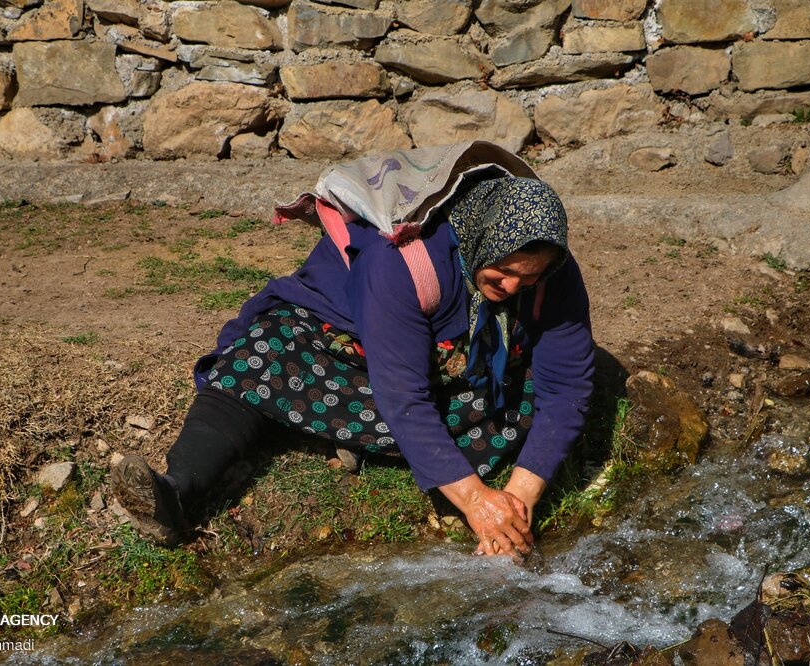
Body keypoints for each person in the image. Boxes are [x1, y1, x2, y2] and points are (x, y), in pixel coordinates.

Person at [112, 154, 594, 558]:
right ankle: (177, 494)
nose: (514, 288)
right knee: (256, 359)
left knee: (529, 392)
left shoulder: (551, 274)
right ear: (480, 239)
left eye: (529, 279)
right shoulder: (399, 260)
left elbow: (567, 386)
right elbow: (404, 395)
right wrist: (473, 500)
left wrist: (516, 501)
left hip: (445, 375)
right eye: (505, 272)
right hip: (337, 349)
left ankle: (341, 435)